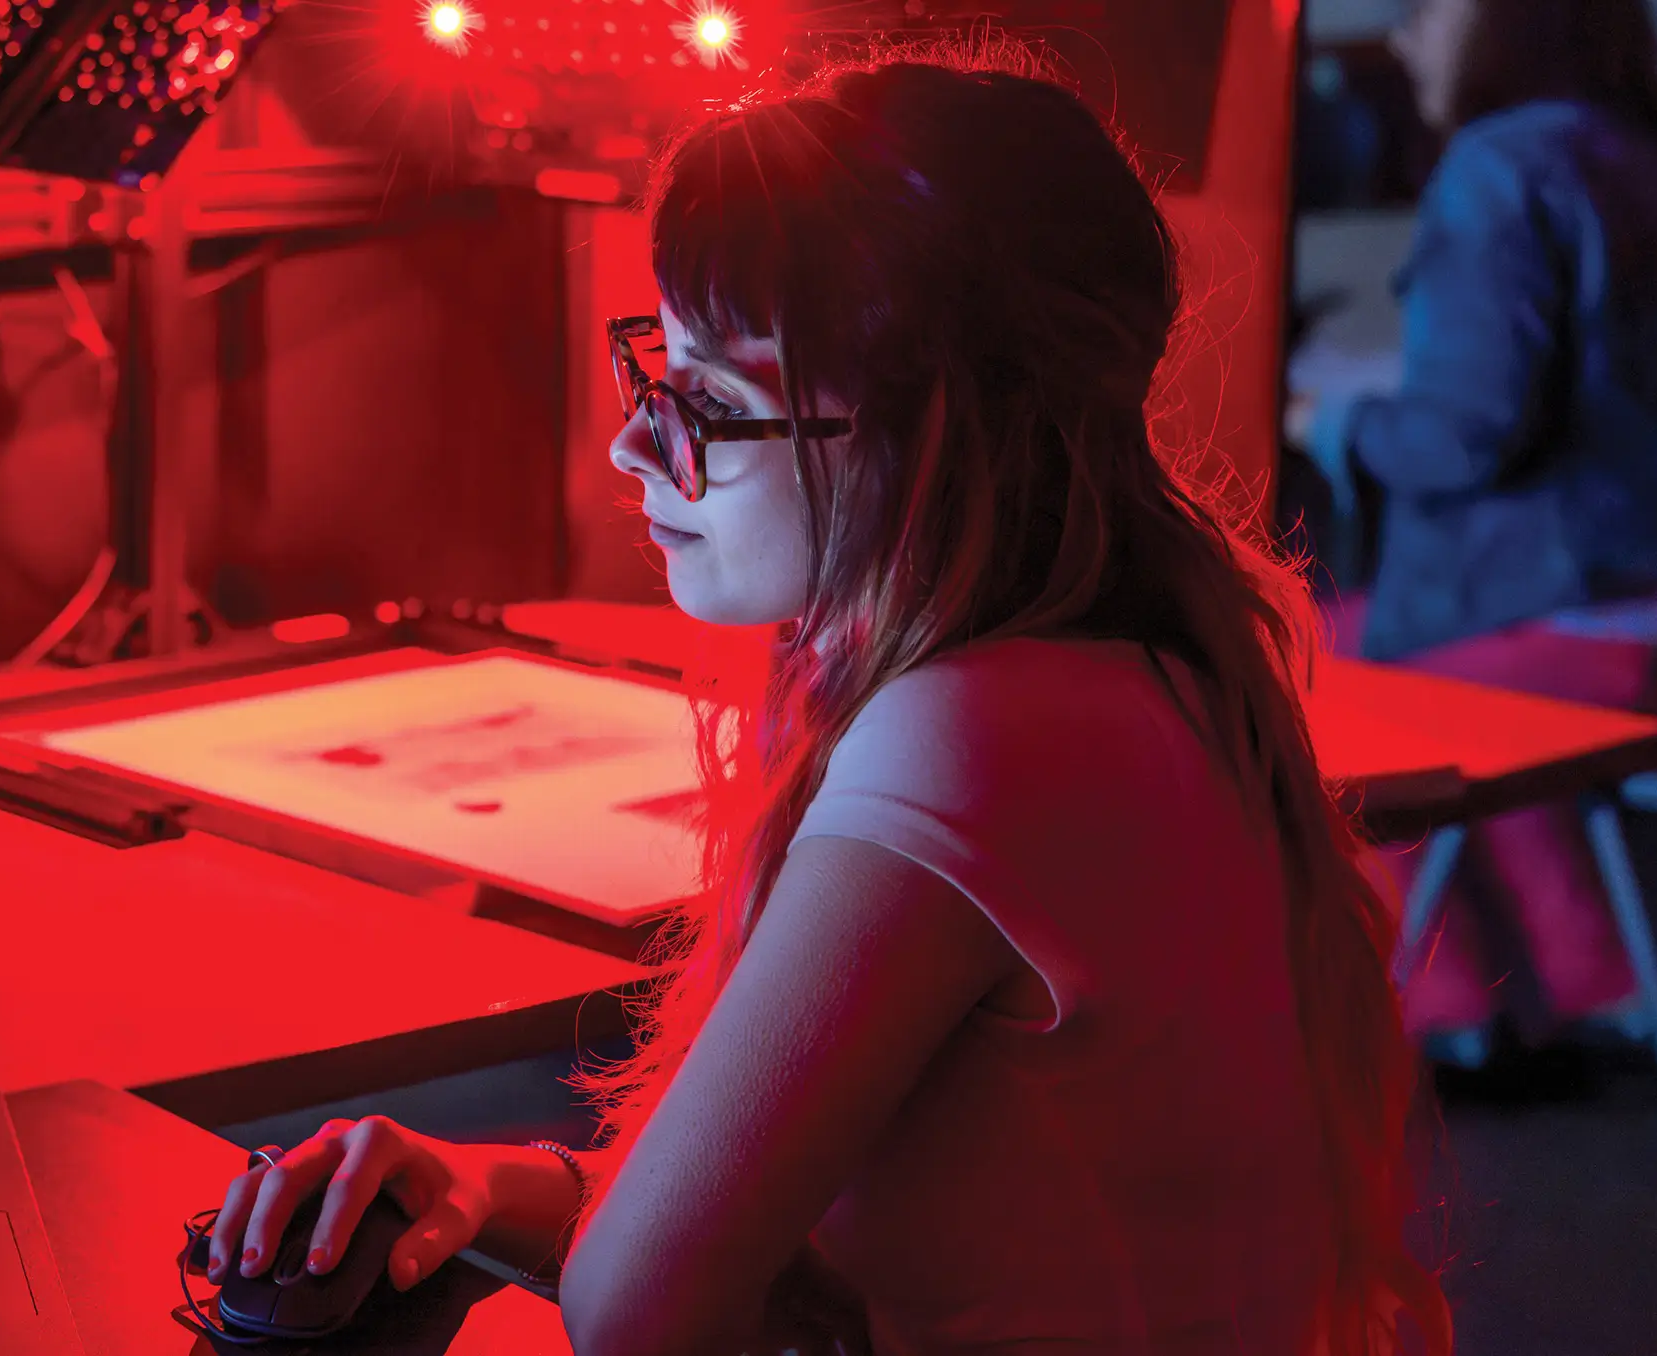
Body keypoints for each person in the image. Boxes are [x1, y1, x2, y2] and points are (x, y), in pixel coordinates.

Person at [205, 51, 1450, 1356]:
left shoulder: (978, 736)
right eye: (660, 367)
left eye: (715, 400)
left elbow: (636, 1311)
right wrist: (486, 1183)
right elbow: (776, 1249)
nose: (637, 442)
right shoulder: (1137, 673)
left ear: (936, 432)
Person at [1297, 0, 1657, 1074]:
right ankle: (1592, 979)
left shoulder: (1495, 171)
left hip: (1551, 608)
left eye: (1424, 11)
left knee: (1302, 667)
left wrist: (1340, 423)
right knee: (1429, 677)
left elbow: (1465, 431)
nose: (1401, 39)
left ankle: (1445, 1013)